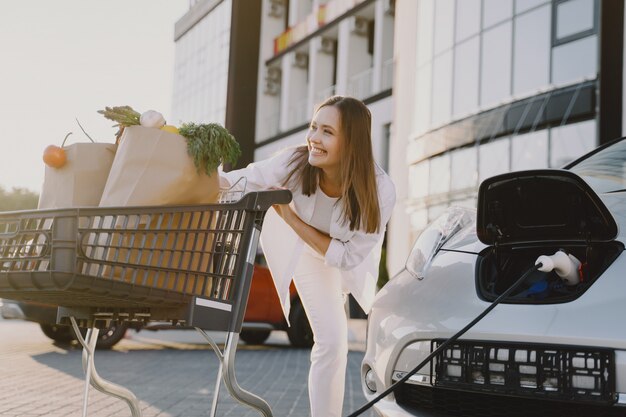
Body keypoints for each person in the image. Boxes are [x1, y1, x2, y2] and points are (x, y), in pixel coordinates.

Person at [219, 95, 396, 417]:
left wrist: (291, 218)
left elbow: (346, 257)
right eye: (314, 127)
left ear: (351, 142)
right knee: (332, 340)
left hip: (345, 256)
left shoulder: (380, 189)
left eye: (327, 132)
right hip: (308, 255)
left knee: (343, 330)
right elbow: (238, 181)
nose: (314, 138)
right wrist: (192, 171)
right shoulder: (293, 163)